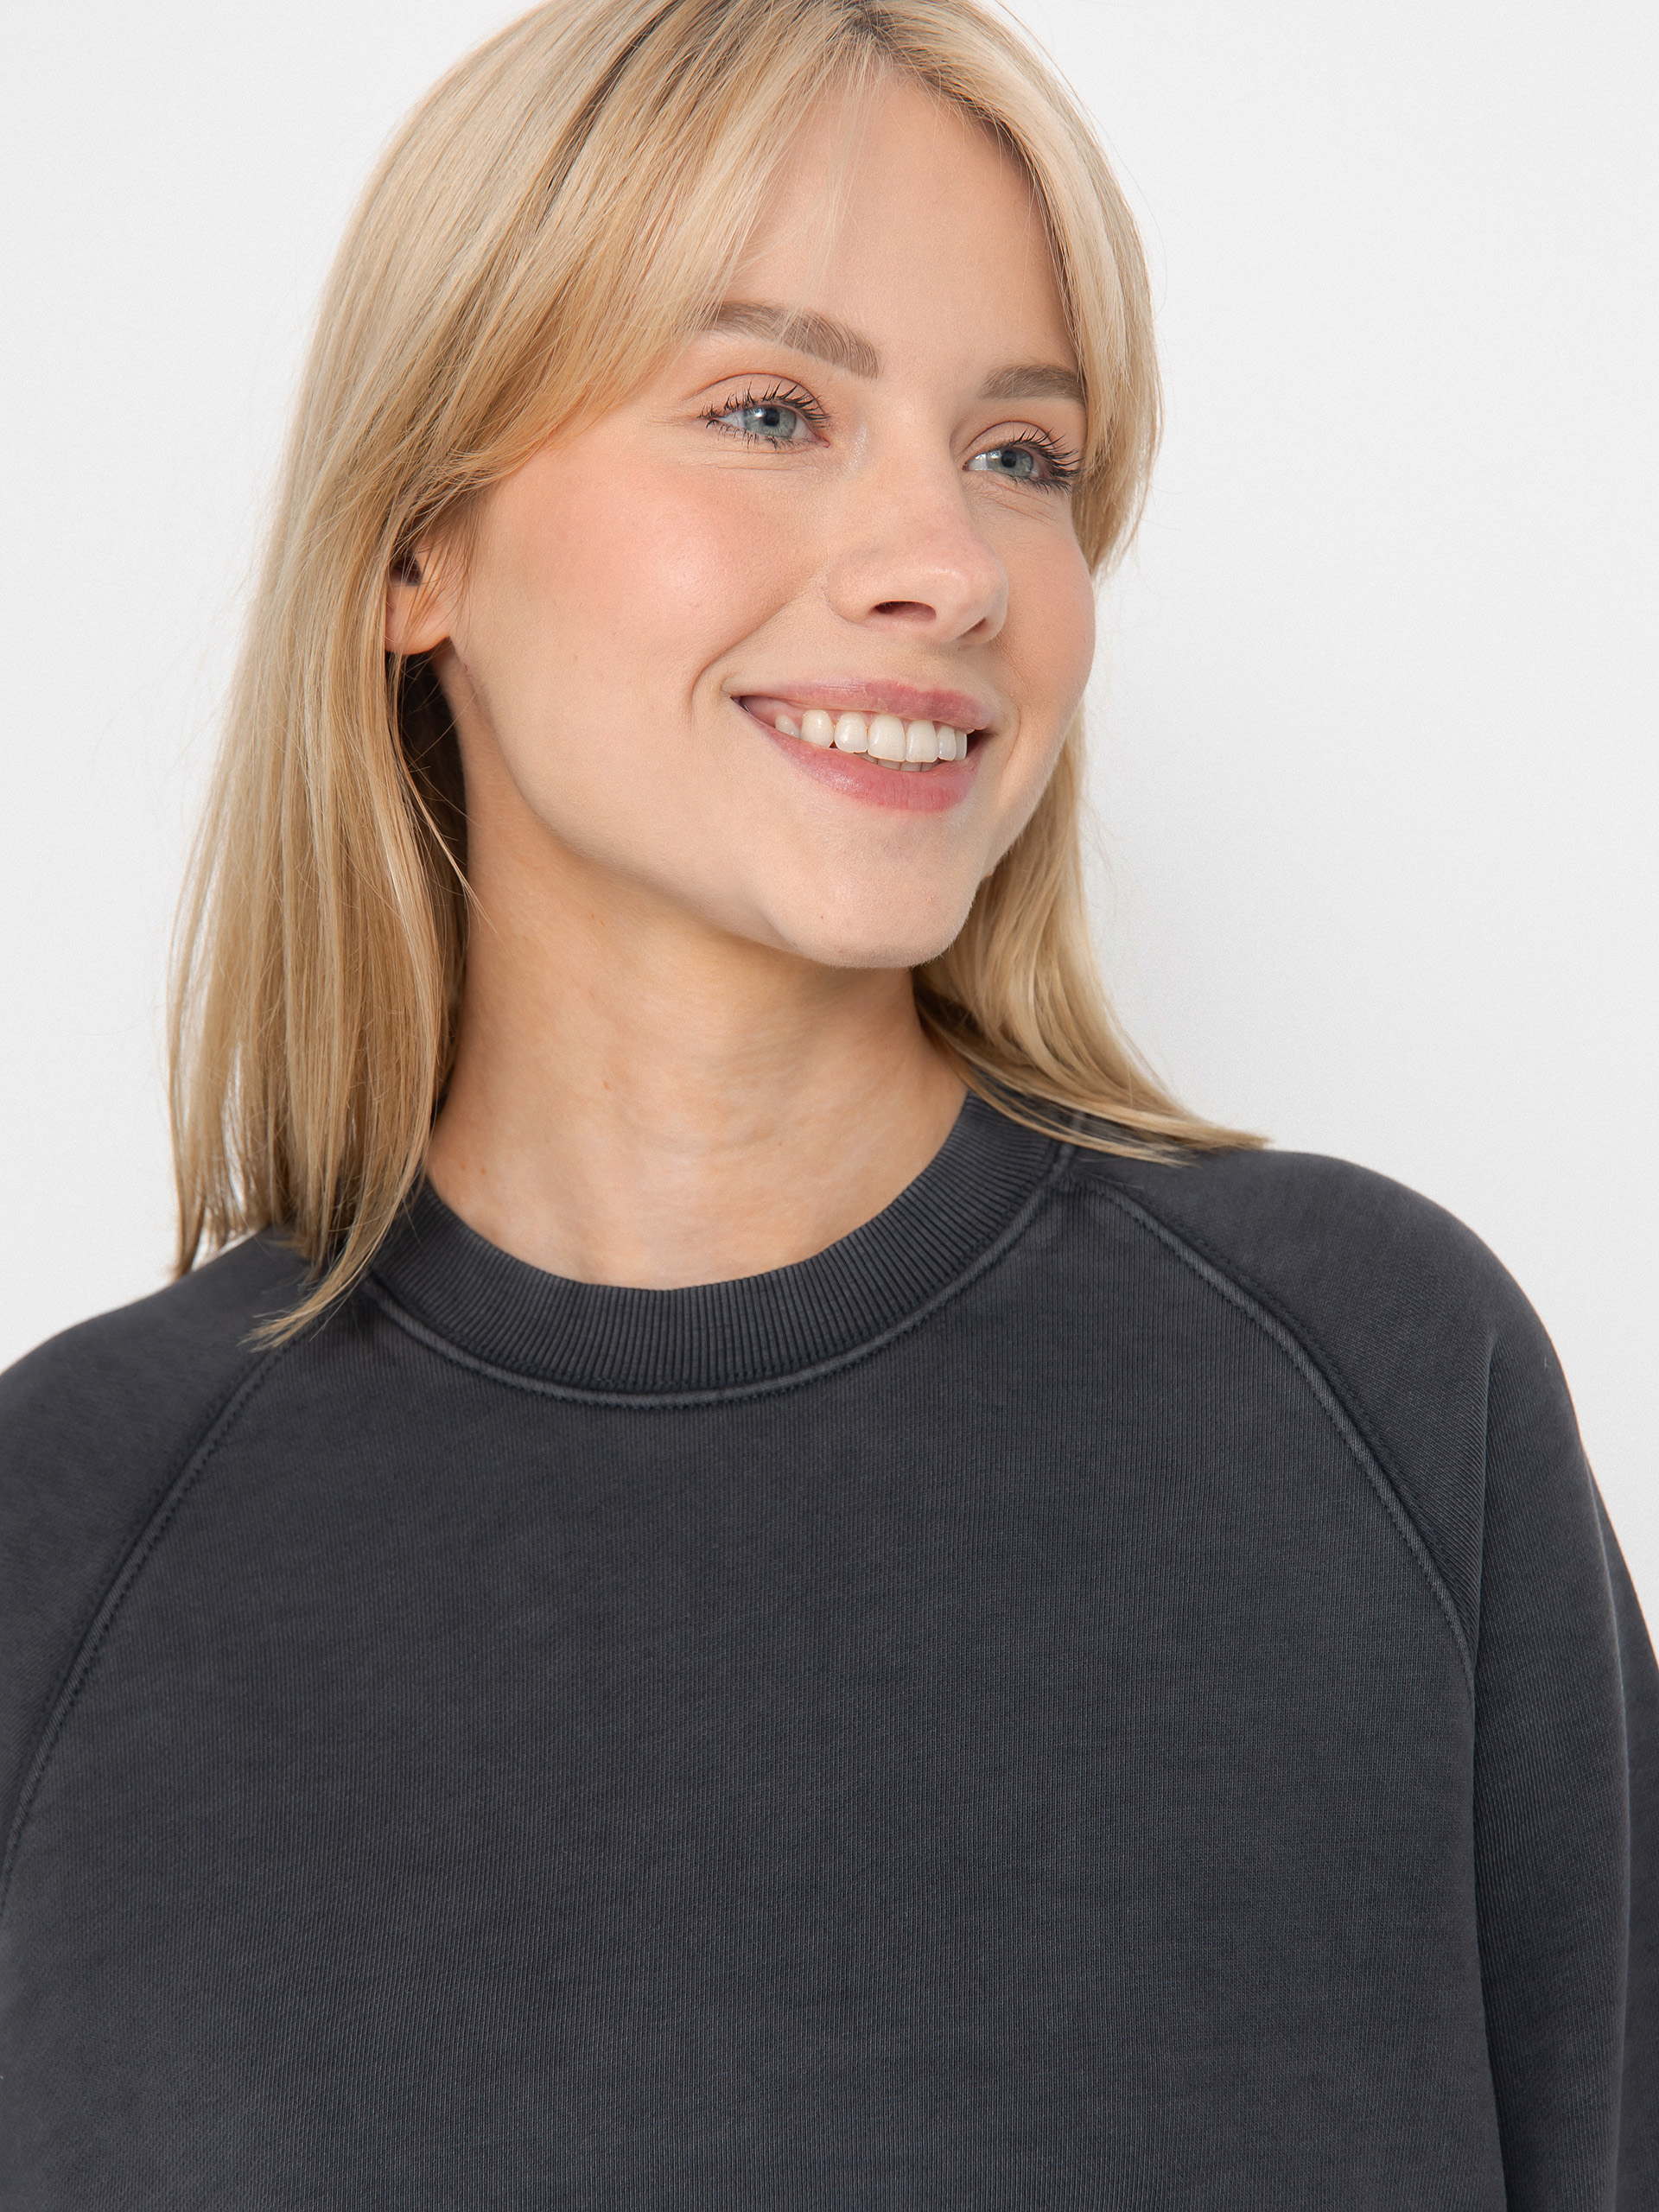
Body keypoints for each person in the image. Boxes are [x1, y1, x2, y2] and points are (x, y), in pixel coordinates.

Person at [2, 0, 1652, 2199]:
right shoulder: (68, 1527)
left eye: (1023, 454)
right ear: (416, 548)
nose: (951, 565)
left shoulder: (1384, 1390)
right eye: (771, 409)